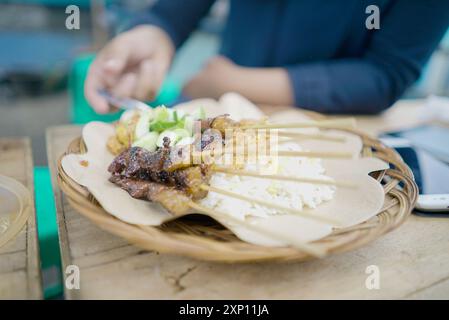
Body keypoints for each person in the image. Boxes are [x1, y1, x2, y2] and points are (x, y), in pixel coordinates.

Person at [85, 0, 449, 115]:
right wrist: (154, 34)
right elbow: (174, 12)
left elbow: (385, 75)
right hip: (210, 113)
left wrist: (230, 83)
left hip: (332, 132)